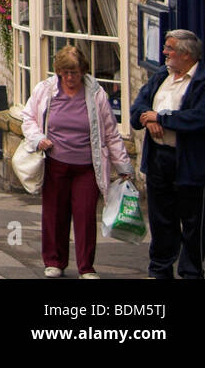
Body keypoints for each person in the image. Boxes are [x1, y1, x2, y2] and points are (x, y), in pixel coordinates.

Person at [22, 45, 133, 279]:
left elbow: (111, 133)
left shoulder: (96, 94)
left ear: (83, 70)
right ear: (58, 71)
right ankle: (54, 261)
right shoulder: (46, 90)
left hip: (87, 167)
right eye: (65, 72)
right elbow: (28, 118)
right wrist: (38, 138)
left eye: (74, 72)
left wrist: (123, 166)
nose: (70, 78)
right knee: (54, 215)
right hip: (55, 163)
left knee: (85, 216)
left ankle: (86, 267)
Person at [130, 29, 205, 279]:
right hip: (159, 159)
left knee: (192, 224)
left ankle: (191, 272)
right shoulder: (161, 76)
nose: (165, 52)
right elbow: (138, 107)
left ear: (186, 54)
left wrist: (163, 118)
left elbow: (201, 118)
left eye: (170, 48)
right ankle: (160, 269)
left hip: (191, 163)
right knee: (161, 220)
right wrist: (148, 119)